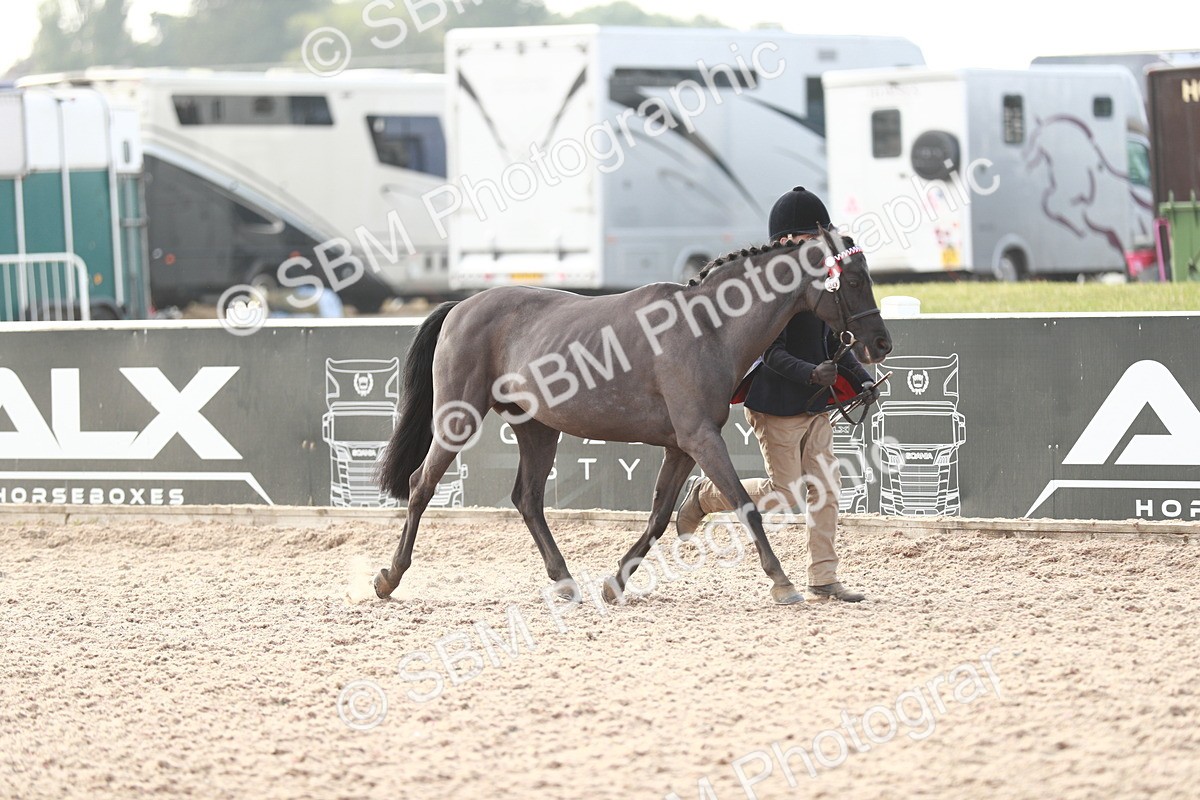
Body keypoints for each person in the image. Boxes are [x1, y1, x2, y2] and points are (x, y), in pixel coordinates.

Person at [675, 186, 880, 603]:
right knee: (783, 493)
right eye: (810, 239)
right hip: (777, 407)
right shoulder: (768, 296)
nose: (819, 247)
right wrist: (810, 374)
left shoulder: (823, 285)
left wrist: (859, 378)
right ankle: (704, 494)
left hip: (816, 406)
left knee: (826, 489)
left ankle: (823, 576)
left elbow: (831, 343)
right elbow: (771, 355)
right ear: (786, 242)